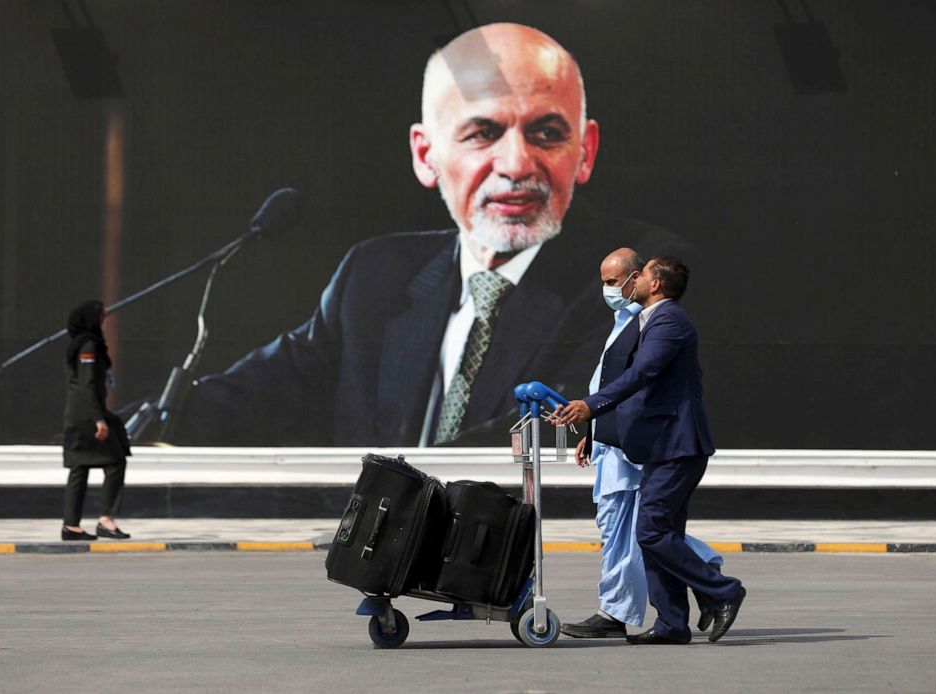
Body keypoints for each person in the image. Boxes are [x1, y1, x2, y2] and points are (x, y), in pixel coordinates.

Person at [170, 23, 613, 447]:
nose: (516, 164)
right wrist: (120, 431)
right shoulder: (374, 276)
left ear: (585, 152)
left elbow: (553, 430)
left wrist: (395, 489)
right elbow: (247, 399)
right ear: (426, 155)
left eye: (548, 133)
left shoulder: (629, 283)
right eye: (483, 133)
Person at [553, 257, 746, 645]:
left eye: (640, 274)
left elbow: (642, 373)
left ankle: (722, 590)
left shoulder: (668, 321)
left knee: (651, 531)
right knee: (659, 533)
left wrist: (592, 406)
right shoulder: (647, 320)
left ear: (655, 283)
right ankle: (672, 625)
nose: (633, 280)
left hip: (678, 445)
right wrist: (596, 429)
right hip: (659, 445)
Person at [61, 300, 132, 541]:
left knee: (79, 468)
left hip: (79, 412)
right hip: (88, 415)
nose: (104, 320)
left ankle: (71, 526)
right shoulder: (88, 345)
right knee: (116, 461)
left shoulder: (82, 343)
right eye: (101, 316)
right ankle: (106, 520)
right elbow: (87, 384)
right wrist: (99, 420)